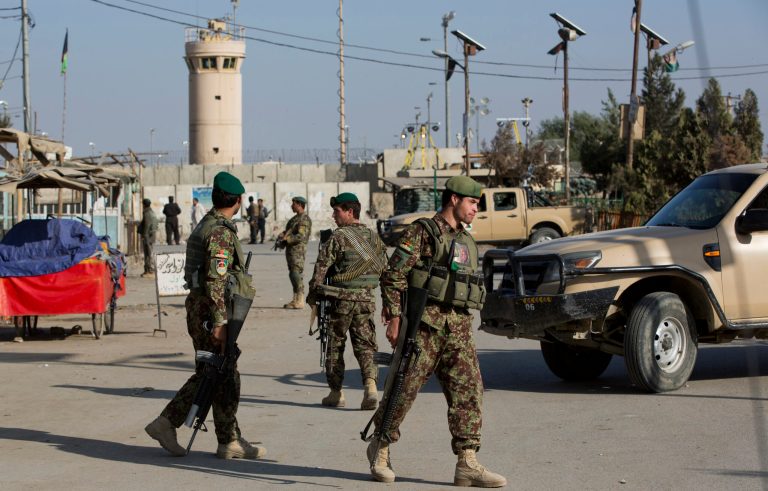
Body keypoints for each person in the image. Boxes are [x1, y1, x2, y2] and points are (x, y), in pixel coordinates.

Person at [367, 176, 507, 487]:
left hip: (457, 327)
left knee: (469, 392)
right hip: (424, 326)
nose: (476, 209)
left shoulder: (466, 239)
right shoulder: (422, 232)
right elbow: (393, 275)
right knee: (402, 390)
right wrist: (394, 317)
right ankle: (381, 447)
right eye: (472, 202)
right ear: (454, 199)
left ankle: (467, 461)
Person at [145, 171, 265, 460]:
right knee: (215, 373)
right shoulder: (220, 232)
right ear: (237, 201)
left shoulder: (206, 223)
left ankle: (228, 441)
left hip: (203, 308)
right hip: (211, 312)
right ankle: (166, 423)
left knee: (221, 374)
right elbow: (215, 280)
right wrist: (221, 322)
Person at [306, 193, 387, 410]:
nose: (333, 215)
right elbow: (387, 272)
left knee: (334, 346)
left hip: (340, 302)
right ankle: (370, 388)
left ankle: (336, 393)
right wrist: (389, 305)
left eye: (337, 211)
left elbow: (320, 270)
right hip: (366, 302)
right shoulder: (374, 238)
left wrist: (313, 296)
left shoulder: (338, 237)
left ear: (350, 212)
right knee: (367, 346)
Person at [277, 196, 312, 309]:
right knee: (293, 274)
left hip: (298, 251)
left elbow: (301, 236)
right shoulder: (294, 219)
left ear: (300, 205)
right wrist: (283, 235)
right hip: (291, 251)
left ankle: (300, 300)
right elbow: (289, 231)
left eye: (294, 204)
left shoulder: (304, 219)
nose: (292, 206)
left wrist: (287, 239)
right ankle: (296, 298)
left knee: (296, 274)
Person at [138, 198, 157, 278]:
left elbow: (147, 226)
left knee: (148, 253)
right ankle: (148, 269)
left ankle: (149, 269)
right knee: (149, 253)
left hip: (148, 237)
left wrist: (144, 236)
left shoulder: (147, 213)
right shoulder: (151, 212)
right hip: (151, 236)